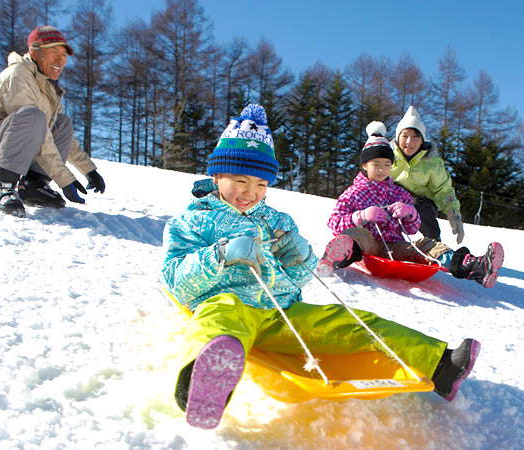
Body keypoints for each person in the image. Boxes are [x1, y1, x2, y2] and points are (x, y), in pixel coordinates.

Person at [163, 104, 481, 430]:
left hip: (280, 313)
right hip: (227, 307)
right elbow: (174, 280)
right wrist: (220, 254)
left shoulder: (276, 221)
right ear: (217, 176)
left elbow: (295, 283)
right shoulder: (193, 221)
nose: (250, 192)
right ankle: (201, 386)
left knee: (349, 322)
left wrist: (299, 260)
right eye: (240, 180)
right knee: (221, 318)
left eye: (261, 184)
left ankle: (440, 364)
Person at [318, 121, 504, 289]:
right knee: (358, 234)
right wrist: (361, 216)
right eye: (376, 164)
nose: (382, 169)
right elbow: (334, 222)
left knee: (427, 244)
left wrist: (410, 213)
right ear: (365, 165)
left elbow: (413, 228)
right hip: (369, 245)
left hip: (395, 245)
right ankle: (335, 258)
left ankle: (473, 266)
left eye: (387, 164)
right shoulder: (354, 193)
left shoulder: (399, 193)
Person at [0, 25, 106, 217]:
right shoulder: (18, 75)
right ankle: (2, 186)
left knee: (62, 123)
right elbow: (35, 128)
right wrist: (64, 178)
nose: (60, 59)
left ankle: (32, 184)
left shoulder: (48, 89)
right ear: (34, 53)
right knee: (33, 116)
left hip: (10, 150)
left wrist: (88, 170)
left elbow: (61, 138)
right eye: (53, 52)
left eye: (63, 54)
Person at [390, 106, 462, 244]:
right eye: (405, 136)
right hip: (392, 200)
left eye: (415, 137)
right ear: (398, 137)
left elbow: (443, 189)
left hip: (420, 204)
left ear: (422, 140)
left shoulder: (431, 163)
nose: (409, 142)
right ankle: (376, 239)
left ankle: (434, 244)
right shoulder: (388, 157)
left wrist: (454, 214)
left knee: (419, 205)